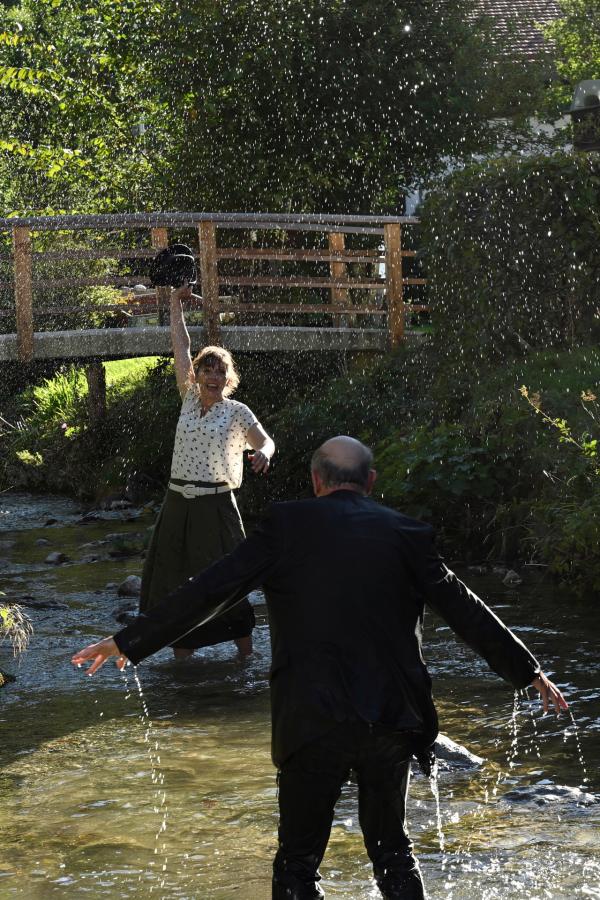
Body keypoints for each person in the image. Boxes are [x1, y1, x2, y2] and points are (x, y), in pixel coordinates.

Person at [73, 436, 568, 900]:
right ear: (370, 482)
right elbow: (466, 610)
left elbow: (211, 589)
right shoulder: (408, 533)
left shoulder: (285, 525)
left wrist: (128, 641)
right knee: (393, 852)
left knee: (297, 861)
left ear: (315, 481)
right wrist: (528, 672)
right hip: (392, 717)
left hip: (311, 718)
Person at [139, 281, 275, 659]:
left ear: (228, 379)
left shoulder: (237, 412)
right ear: (197, 374)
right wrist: (175, 303)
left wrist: (264, 455)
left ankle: (245, 656)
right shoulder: (187, 398)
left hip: (216, 505)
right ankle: (182, 660)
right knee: (173, 583)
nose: (213, 378)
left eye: (221, 373)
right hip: (176, 504)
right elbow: (181, 345)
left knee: (226, 580)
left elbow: (265, 441)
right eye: (208, 370)